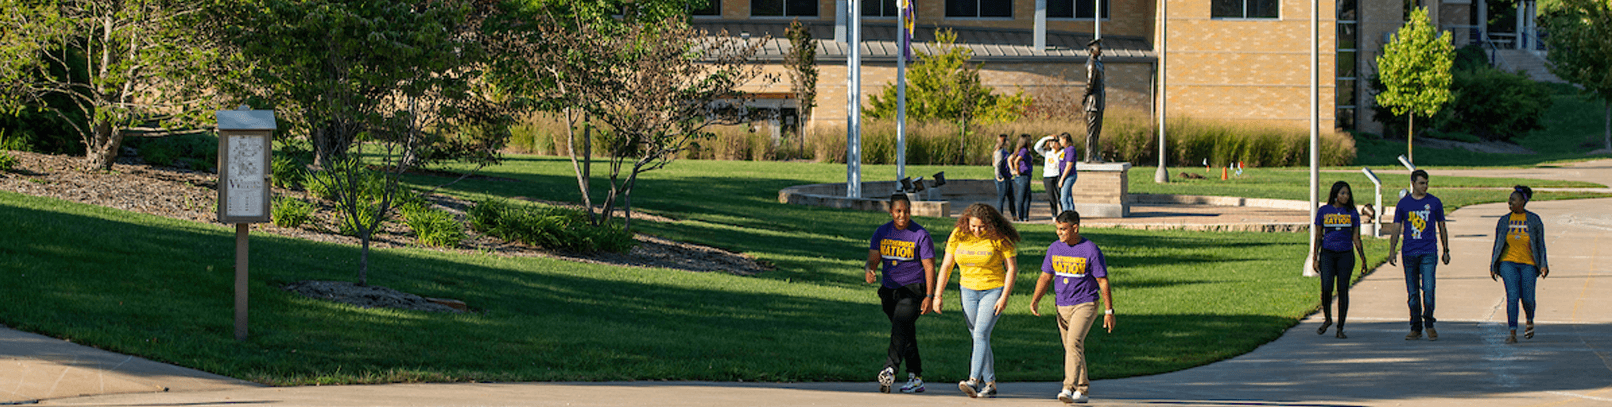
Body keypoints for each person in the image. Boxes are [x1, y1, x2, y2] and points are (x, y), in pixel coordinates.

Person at [932, 203, 1021, 398]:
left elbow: (1012, 269)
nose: (977, 230)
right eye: (973, 226)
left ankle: (973, 380)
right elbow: (947, 266)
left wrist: (1004, 297)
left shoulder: (999, 237)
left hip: (993, 289)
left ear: (989, 224)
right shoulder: (958, 234)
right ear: (967, 222)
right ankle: (990, 383)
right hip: (967, 290)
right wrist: (937, 295)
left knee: (980, 333)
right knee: (979, 336)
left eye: (982, 227)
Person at [1029, 210, 1115, 404]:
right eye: (1057, 229)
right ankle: (1082, 390)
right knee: (1072, 348)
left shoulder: (1090, 250)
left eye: (1063, 229)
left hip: (1085, 304)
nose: (1059, 233)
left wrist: (1109, 311)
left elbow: (1103, 281)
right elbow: (1045, 276)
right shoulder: (1054, 248)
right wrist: (1036, 299)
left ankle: (1068, 387)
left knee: (1073, 344)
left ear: (1075, 228)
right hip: (1062, 305)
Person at [1387, 169, 1450, 341]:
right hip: (1409, 252)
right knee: (1413, 293)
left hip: (1428, 252)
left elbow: (1442, 226)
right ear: (1413, 184)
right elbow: (1396, 228)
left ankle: (1429, 322)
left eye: (1427, 183)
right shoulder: (1403, 204)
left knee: (1428, 289)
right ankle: (1416, 326)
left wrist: (1446, 249)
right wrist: (1392, 249)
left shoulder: (1434, 202)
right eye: (1422, 183)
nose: (1425, 186)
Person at [1489, 185, 1550, 344]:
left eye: (1514, 199)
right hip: (1507, 262)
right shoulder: (1504, 220)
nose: (1510, 202)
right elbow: (1497, 244)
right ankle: (1513, 332)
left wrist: (1543, 264)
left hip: (1528, 263)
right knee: (1513, 296)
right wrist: (1493, 265)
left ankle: (1529, 319)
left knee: (1528, 298)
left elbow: (1540, 244)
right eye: (1509, 199)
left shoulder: (1534, 220)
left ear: (1523, 201)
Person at [1312, 181, 1368, 339]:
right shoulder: (1324, 211)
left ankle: (1340, 327)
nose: (1345, 196)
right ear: (1335, 194)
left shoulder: (1352, 212)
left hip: (1345, 254)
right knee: (1326, 287)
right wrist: (1315, 257)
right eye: (1342, 193)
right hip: (1327, 254)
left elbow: (1356, 237)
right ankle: (1328, 318)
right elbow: (1318, 236)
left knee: (1343, 289)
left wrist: (1363, 258)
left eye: (1348, 194)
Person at [1082, 39, 1105, 163]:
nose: (1101, 51)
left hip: (1099, 102)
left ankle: (1095, 154)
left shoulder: (1099, 64)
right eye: (1099, 48)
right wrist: (1084, 97)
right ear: (1092, 50)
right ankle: (1089, 156)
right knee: (1091, 131)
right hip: (1093, 103)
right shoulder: (1091, 64)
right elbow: (1089, 84)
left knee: (1097, 131)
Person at [1034, 135, 1064, 218]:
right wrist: (1046, 138)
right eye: (1051, 142)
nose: (1053, 144)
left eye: (1055, 142)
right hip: (1047, 176)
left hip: (1057, 176)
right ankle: (1054, 214)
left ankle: (1063, 213)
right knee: (1051, 197)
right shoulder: (1047, 153)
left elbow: (1057, 162)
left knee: (1059, 196)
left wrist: (1055, 151)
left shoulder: (1062, 152)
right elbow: (1036, 148)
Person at [1006, 134, 1034, 222]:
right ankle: (1022, 217)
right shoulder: (1024, 151)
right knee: (1023, 197)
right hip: (1023, 176)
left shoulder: (1021, 150)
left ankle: (1025, 216)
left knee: (1027, 197)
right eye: (1030, 140)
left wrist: (1012, 170)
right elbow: (1016, 160)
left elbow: (1010, 159)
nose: (1031, 142)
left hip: (1026, 176)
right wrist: (1016, 170)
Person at [991, 134, 1018, 220]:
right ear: (1004, 142)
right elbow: (997, 165)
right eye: (1008, 140)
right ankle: (999, 216)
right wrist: (998, 176)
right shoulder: (1000, 153)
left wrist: (1012, 171)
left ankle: (1014, 215)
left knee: (1011, 197)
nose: (1009, 141)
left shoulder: (1005, 151)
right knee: (1001, 197)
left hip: (1008, 177)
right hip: (1002, 178)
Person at [1057, 132, 1078, 213]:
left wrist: (1062, 179)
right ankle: (1071, 213)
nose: (1060, 142)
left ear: (1065, 139)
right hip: (1065, 176)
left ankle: (1067, 216)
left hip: (1069, 176)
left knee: (1064, 198)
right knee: (1068, 197)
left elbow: (1069, 165)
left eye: (1061, 140)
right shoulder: (1065, 150)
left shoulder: (1071, 149)